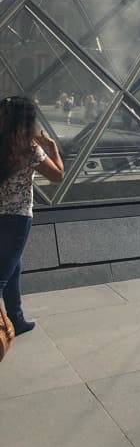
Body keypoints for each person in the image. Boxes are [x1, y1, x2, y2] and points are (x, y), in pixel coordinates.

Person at [0, 96, 64, 334]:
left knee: (13, 265)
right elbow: (58, 176)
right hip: (17, 217)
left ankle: (16, 318)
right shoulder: (28, 147)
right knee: (2, 274)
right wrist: (53, 148)